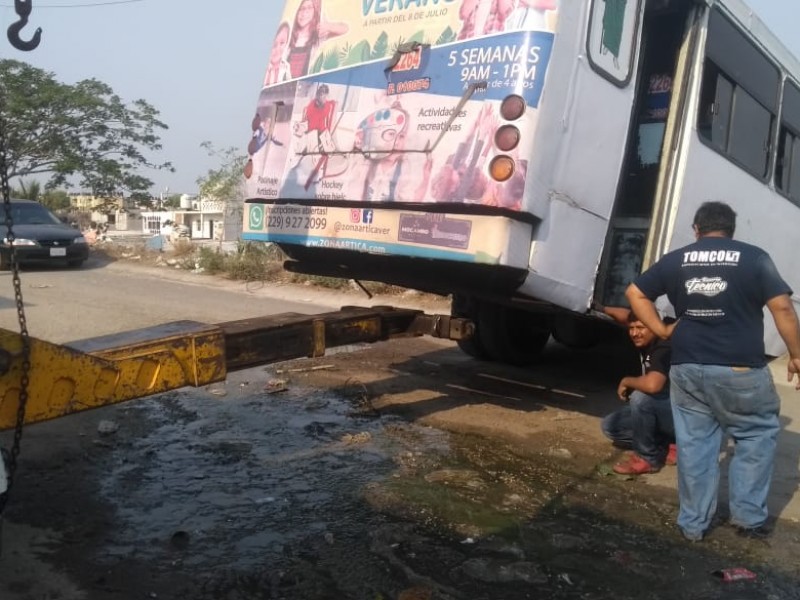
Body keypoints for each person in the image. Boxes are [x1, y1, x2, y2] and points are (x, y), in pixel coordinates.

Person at [626, 201, 800, 541]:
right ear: (732, 230)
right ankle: (748, 521)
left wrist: (662, 332)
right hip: (740, 368)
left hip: (687, 366)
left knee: (695, 445)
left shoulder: (678, 259)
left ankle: (692, 525)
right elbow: (782, 306)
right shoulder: (753, 257)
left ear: (696, 230)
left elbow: (635, 293)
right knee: (754, 436)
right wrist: (796, 354)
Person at [599, 308, 677, 475]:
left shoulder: (664, 345)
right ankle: (667, 442)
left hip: (685, 418)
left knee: (640, 398)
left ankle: (648, 458)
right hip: (667, 409)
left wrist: (627, 381)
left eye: (640, 328)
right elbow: (624, 316)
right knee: (611, 426)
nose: (634, 333)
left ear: (654, 326)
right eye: (631, 328)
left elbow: (653, 385)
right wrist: (599, 306)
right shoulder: (649, 332)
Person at [286, 0, 348, 79]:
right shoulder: (289, 35)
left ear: (315, 11)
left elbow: (345, 28)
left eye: (309, 8)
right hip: (285, 83)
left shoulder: (316, 35)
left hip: (302, 82)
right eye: (301, 9)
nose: (304, 13)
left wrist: (328, 26)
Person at [264, 22, 291, 86]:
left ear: (286, 44)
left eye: (282, 43)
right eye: (274, 43)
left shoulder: (286, 67)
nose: (277, 49)